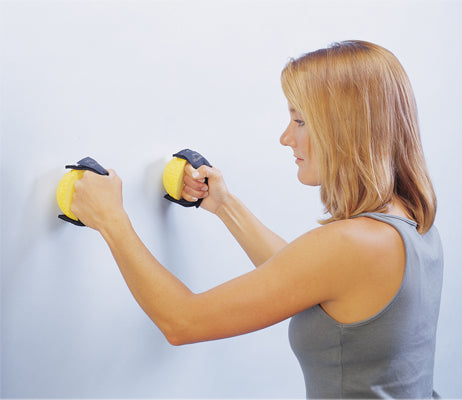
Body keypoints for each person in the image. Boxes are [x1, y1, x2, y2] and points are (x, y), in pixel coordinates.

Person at [70, 40, 443, 399]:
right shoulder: (410, 222)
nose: (285, 137)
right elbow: (305, 277)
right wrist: (224, 205)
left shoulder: (353, 243)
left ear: (346, 129)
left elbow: (183, 322)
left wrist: (111, 220)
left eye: (300, 120)